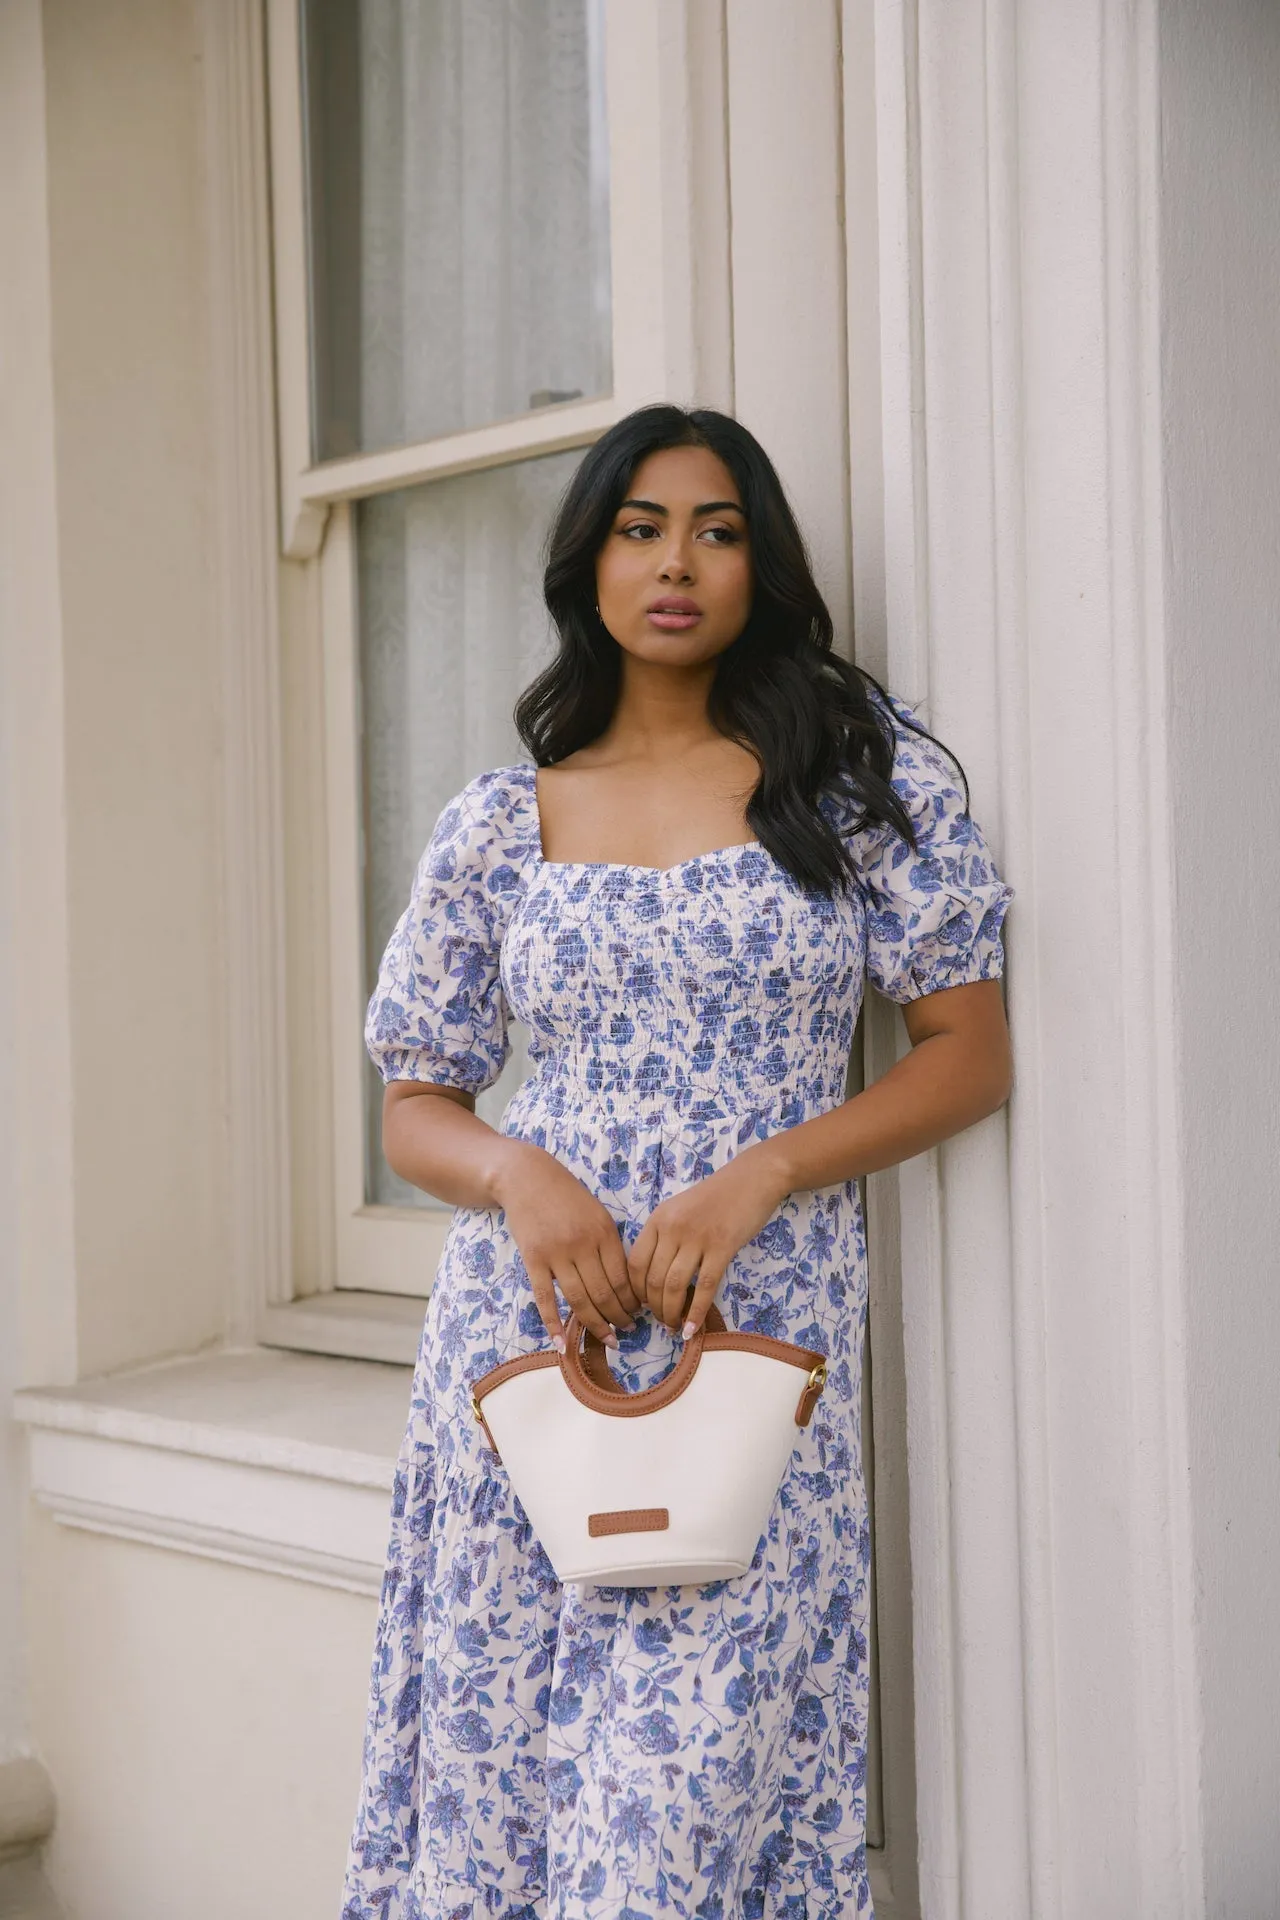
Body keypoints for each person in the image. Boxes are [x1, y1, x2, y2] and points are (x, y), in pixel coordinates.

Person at [340, 403, 1014, 1919]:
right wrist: (521, 1175)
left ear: (760, 565)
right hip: (529, 1351)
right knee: (508, 1790)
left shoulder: (848, 787)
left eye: (718, 529)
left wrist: (766, 1168)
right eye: (641, 528)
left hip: (752, 1348)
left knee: (677, 1811)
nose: (677, 563)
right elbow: (417, 1103)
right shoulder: (501, 825)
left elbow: (969, 1052)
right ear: (588, 562)